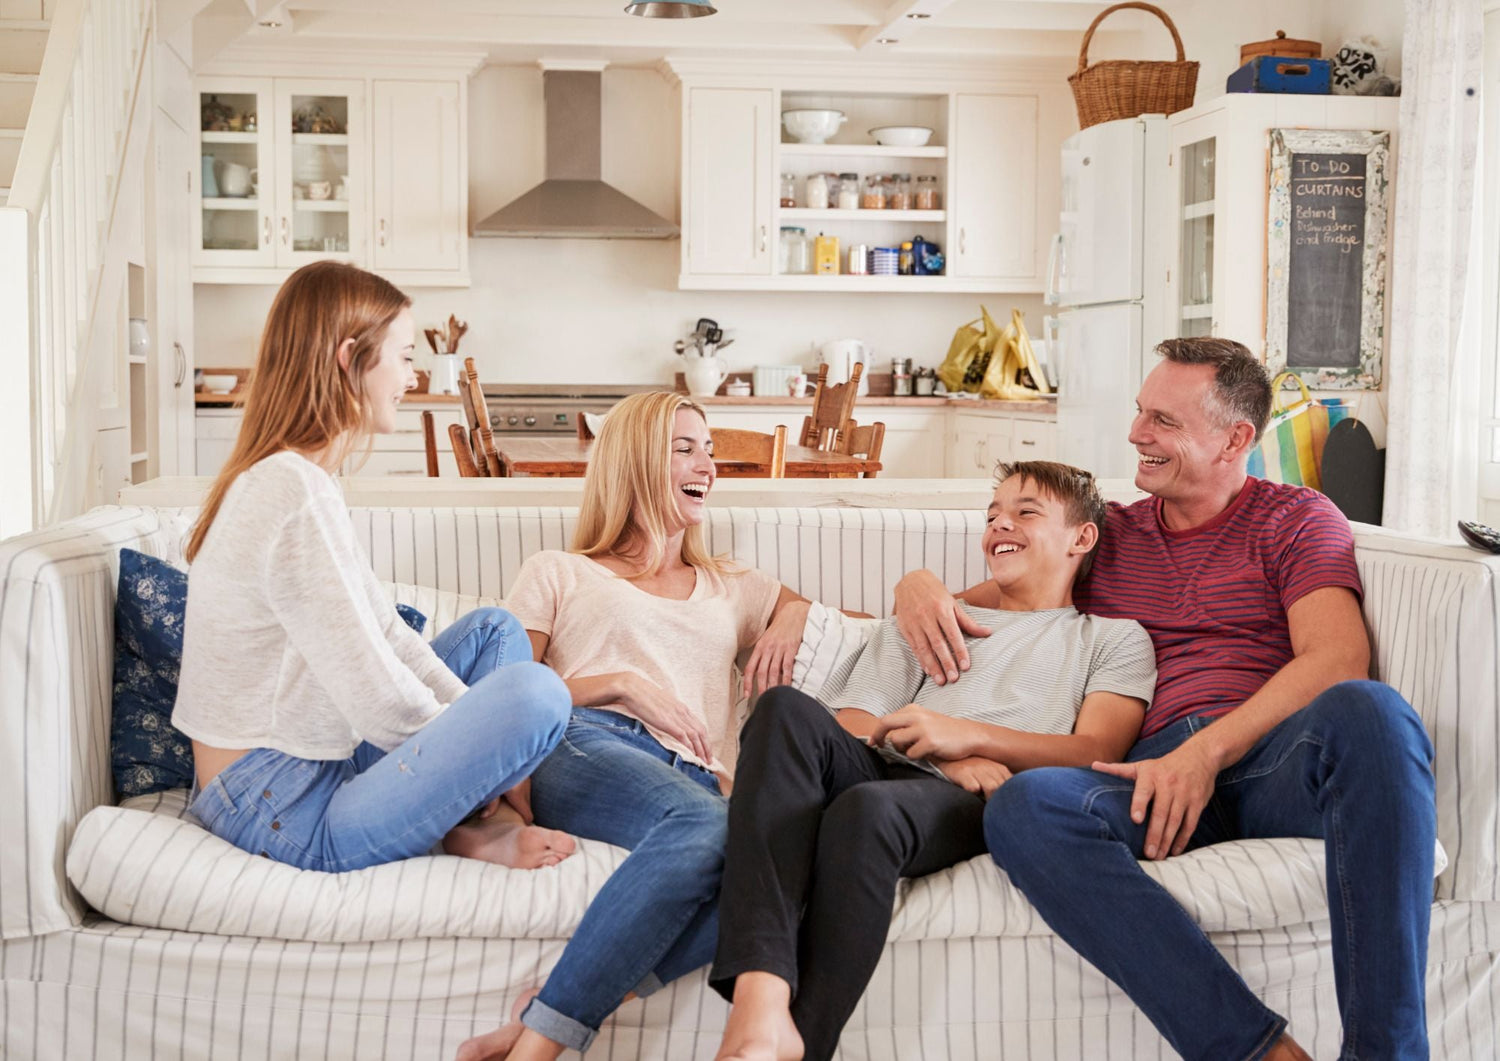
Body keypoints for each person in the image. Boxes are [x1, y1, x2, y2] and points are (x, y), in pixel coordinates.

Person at [891, 338, 1437, 1060]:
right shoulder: (1108, 537)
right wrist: (915, 586)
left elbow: (1338, 658)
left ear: (1235, 437)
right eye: (1140, 413)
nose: (1135, 435)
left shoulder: (1297, 519)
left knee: (1376, 713)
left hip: (1267, 758)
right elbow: (971, 607)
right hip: (1148, 777)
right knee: (1026, 808)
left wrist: (1205, 753)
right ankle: (1257, 1052)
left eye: (1164, 421)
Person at [710, 460, 1158, 1061]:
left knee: (867, 813)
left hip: (984, 796)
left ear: (1082, 537)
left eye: (1026, 512)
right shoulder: (934, 619)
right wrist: (942, 759)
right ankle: (760, 1000)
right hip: (911, 767)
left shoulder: (1112, 638)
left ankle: (799, 1044)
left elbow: (1096, 751)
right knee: (785, 708)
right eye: (993, 514)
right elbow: (854, 724)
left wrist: (964, 738)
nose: (1002, 524)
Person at [174, 260, 575, 875]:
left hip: (302, 767)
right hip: (278, 805)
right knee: (538, 695)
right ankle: (476, 824)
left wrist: (473, 751)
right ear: (349, 358)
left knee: (495, 630)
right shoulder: (291, 491)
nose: (413, 378)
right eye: (405, 356)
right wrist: (475, 757)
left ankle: (468, 821)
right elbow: (375, 696)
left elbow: (385, 633)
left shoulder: (300, 479)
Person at [457, 392, 813, 1061]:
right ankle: (542, 1049)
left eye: (709, 450)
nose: (706, 463)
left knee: (773, 867)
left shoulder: (730, 583)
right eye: (684, 447)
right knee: (710, 825)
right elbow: (500, 703)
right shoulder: (561, 572)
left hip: (698, 778)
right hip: (587, 743)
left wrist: (795, 613)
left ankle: (548, 1014)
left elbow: (826, 620)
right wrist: (621, 683)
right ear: (633, 463)